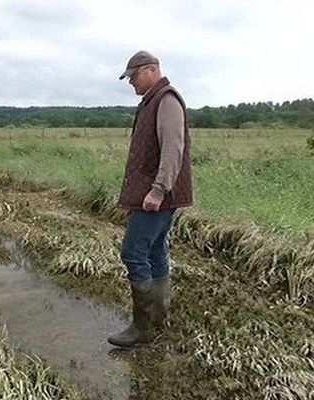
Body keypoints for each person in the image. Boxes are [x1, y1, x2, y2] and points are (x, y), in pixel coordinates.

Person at [108, 50, 193, 348]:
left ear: (151, 70)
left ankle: (142, 328)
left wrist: (158, 189)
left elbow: (173, 149)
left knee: (133, 252)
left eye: (133, 76)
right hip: (152, 195)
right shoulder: (151, 101)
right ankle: (158, 318)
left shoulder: (167, 100)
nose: (131, 83)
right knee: (155, 251)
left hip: (157, 196)